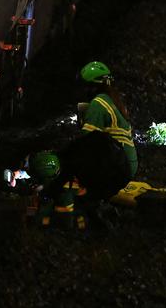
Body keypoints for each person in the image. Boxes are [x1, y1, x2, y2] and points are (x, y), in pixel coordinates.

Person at [28, 61, 137, 228]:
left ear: (93, 87)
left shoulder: (98, 104)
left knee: (67, 163)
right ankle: (85, 206)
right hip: (123, 165)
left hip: (115, 166)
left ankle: (54, 203)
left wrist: (60, 158)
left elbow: (86, 141)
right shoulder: (113, 102)